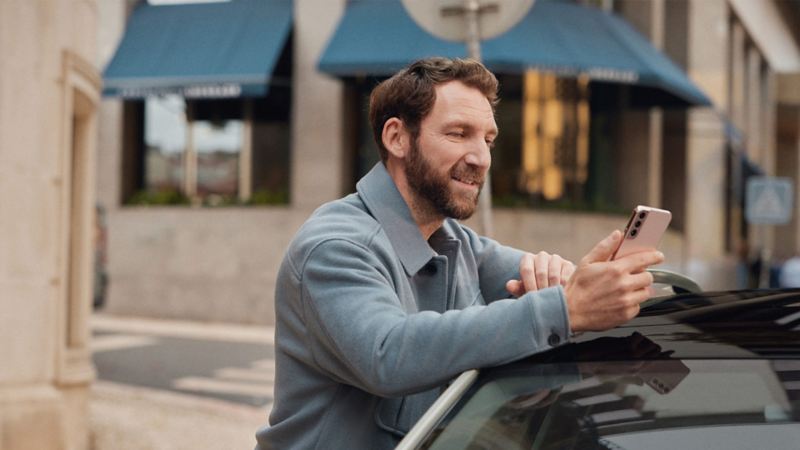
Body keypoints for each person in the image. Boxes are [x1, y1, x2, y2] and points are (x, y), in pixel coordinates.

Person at [255, 57, 663, 450]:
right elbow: (387, 354)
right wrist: (564, 307)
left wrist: (577, 283)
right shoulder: (335, 247)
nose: (481, 158)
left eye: (487, 139)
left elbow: (557, 297)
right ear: (397, 138)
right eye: (458, 133)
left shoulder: (457, 242)